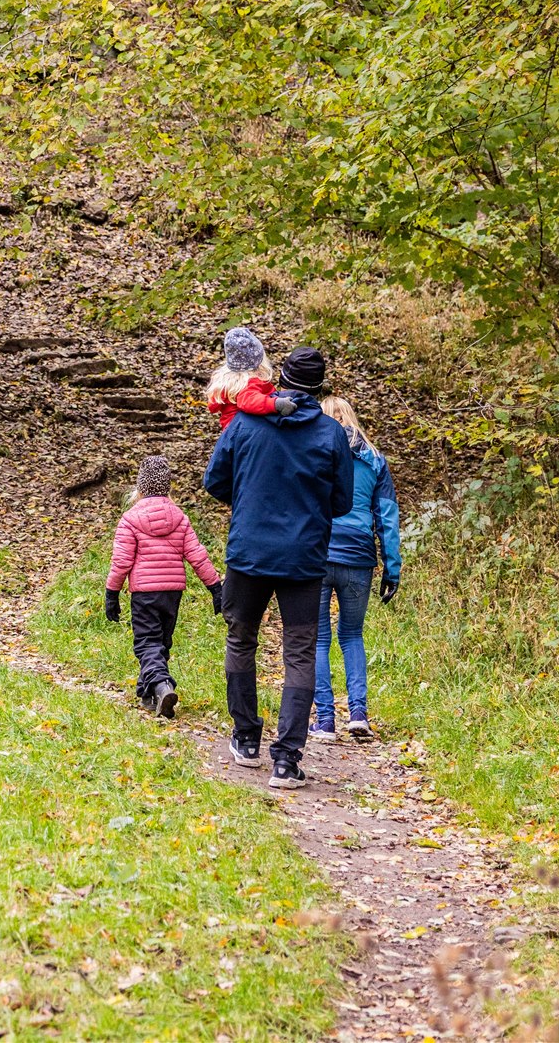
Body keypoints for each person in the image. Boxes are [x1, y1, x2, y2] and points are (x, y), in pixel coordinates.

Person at [202, 346, 355, 789]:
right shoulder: (330, 435)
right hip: (304, 559)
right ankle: (287, 761)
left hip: (248, 552)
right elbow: (342, 502)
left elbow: (215, 481)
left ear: (280, 379)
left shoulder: (245, 424)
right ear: (321, 387)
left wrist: (249, 500)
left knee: (241, 638)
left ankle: (246, 738)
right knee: (300, 653)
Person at [308, 397, 402, 744]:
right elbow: (388, 518)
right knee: (352, 635)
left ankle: (325, 721)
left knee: (317, 638)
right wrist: (392, 569)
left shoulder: (313, 449)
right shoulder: (375, 460)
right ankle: (359, 715)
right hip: (359, 556)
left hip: (318, 553)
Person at [103, 455, 220, 719]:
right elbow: (197, 554)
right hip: (172, 593)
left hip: (145, 592)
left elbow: (121, 561)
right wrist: (215, 587)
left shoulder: (130, 519)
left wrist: (112, 593)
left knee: (147, 643)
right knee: (161, 643)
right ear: (167, 486)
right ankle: (149, 693)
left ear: (140, 487)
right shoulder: (179, 517)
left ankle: (163, 685)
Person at [205, 327, 297, 429]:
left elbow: (213, 406)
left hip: (232, 434)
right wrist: (275, 404)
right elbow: (249, 401)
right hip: (247, 431)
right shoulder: (250, 383)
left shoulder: (226, 380)